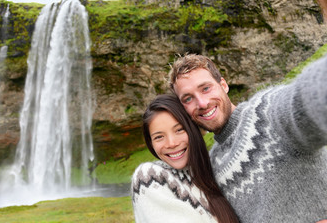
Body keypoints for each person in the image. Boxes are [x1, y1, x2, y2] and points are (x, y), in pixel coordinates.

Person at [167, 50, 327, 220]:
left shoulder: (266, 112)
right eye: (188, 99)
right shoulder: (211, 164)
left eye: (206, 88)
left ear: (223, 85)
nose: (202, 103)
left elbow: (304, 99)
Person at [131, 94, 239, 223]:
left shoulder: (216, 171)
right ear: (151, 144)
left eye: (179, 130)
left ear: (193, 129)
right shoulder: (149, 177)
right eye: (159, 137)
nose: (171, 143)